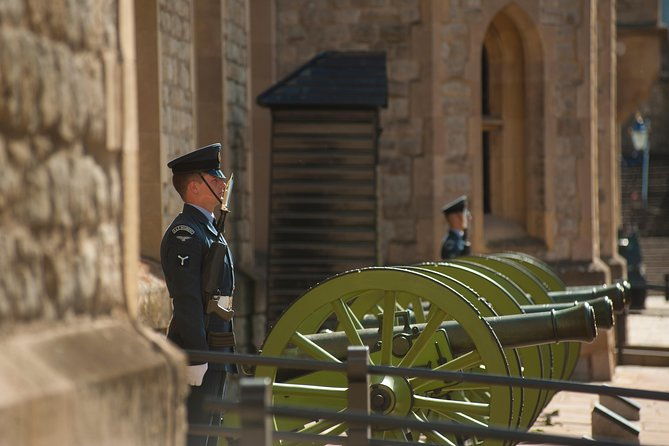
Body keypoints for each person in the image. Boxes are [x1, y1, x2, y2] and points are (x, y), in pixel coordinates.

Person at [161, 143, 236, 446]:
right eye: (214, 178)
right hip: (199, 355)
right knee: (195, 437)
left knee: (209, 435)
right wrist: (196, 355)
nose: (221, 184)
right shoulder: (186, 233)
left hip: (215, 351)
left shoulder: (207, 228)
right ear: (194, 186)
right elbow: (188, 299)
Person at [440, 195, 471, 260]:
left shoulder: (460, 237)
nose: (469, 218)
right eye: (465, 215)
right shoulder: (451, 243)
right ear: (455, 217)